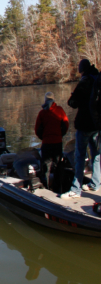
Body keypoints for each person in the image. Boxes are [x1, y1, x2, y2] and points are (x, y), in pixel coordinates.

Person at [62, 59, 101, 199]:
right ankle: (96, 184)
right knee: (96, 156)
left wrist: (74, 95)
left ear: (82, 70)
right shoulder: (98, 78)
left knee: (79, 157)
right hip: (97, 125)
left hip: (84, 125)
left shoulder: (84, 82)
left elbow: (72, 103)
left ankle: (75, 189)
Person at [35, 91, 69, 189]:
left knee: (46, 166)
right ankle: (58, 188)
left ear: (45, 100)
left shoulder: (42, 113)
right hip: (57, 142)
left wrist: (44, 137)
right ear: (54, 99)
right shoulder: (60, 110)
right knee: (58, 166)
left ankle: (47, 187)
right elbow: (66, 124)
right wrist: (60, 135)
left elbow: (37, 129)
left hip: (46, 143)